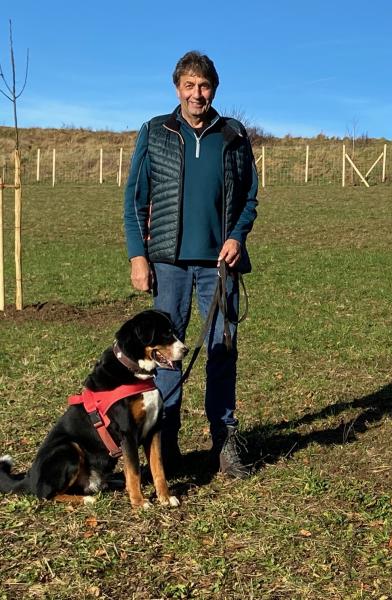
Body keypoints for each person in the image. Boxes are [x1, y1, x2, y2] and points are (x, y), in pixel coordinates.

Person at [123, 51, 259, 479]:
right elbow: (134, 200)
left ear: (213, 89)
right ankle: (167, 445)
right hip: (169, 266)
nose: (196, 93)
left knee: (222, 350)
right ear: (177, 88)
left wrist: (237, 235)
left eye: (204, 86)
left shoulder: (233, 135)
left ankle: (224, 444)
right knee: (167, 357)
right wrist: (138, 255)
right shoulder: (154, 132)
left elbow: (249, 198)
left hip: (220, 268)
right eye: (189, 85)